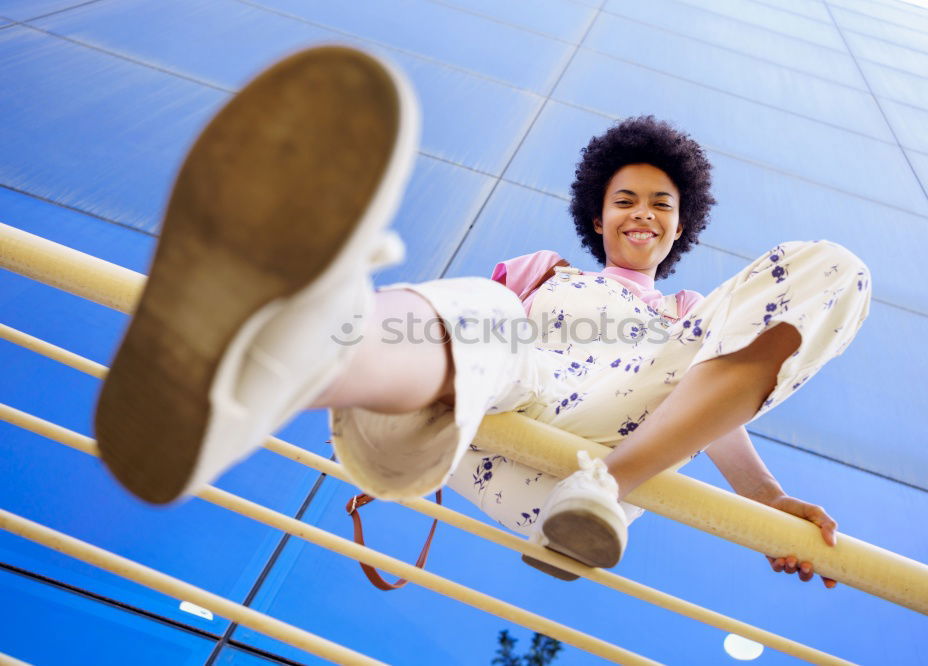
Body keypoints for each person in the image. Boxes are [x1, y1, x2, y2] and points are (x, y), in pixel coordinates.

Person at [96, 46, 870, 589]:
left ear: (679, 226)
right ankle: (271, 367)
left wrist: (768, 504)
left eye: (660, 205)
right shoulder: (543, 273)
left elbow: (716, 422)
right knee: (491, 310)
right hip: (486, 420)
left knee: (834, 267)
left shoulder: (686, 317)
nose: (642, 214)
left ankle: (601, 488)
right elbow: (466, 335)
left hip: (599, 466)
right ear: (596, 219)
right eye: (624, 200)